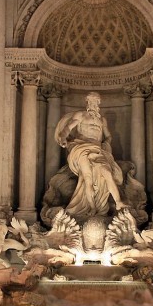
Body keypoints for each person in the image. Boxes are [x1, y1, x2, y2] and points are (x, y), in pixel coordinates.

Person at [55, 91, 127, 220]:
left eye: (96, 101)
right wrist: (63, 136)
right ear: (87, 102)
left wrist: (106, 143)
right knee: (87, 178)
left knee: (107, 172)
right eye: (91, 101)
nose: (94, 103)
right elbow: (68, 127)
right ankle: (92, 207)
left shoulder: (102, 120)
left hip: (98, 149)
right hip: (82, 147)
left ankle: (118, 202)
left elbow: (108, 135)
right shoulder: (81, 115)